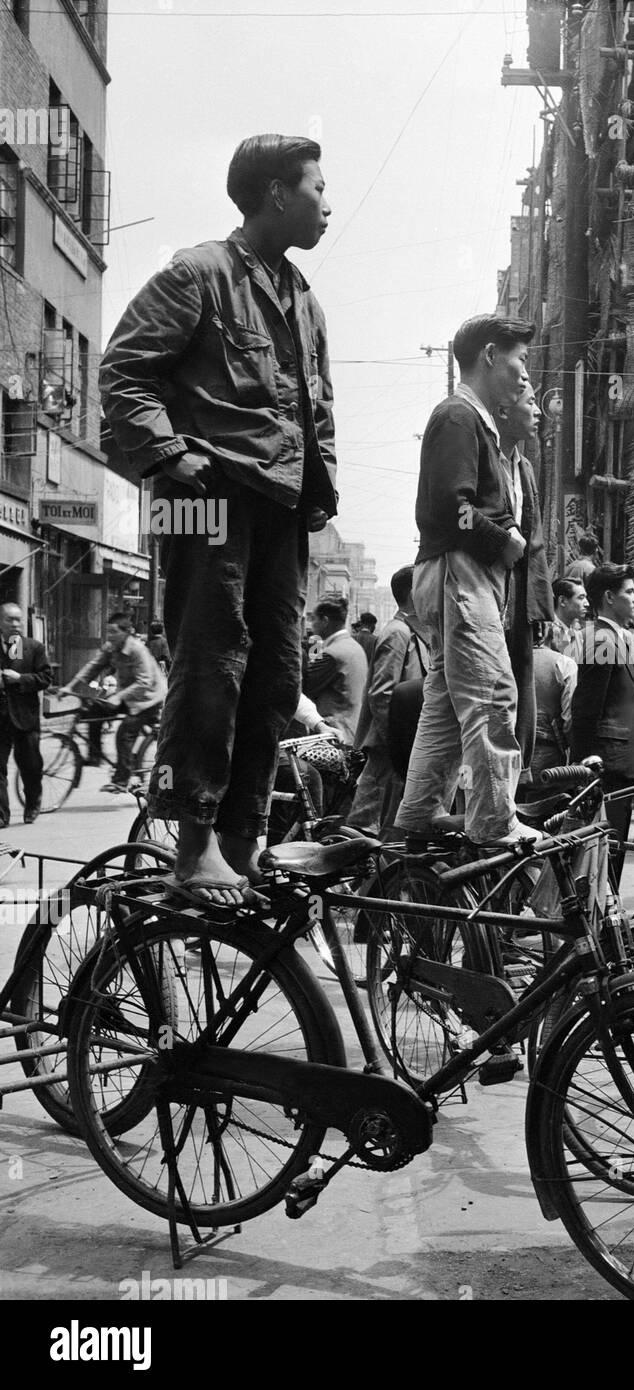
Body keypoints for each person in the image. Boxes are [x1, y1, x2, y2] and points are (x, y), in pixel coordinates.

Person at [101, 133, 336, 905]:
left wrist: (319, 492)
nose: (327, 203)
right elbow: (124, 372)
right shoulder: (196, 273)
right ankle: (191, 847)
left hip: (278, 504)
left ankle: (243, 842)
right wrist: (167, 455)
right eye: (317, 188)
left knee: (277, 673)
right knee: (211, 660)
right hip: (203, 495)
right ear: (276, 193)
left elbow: (316, 409)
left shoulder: (302, 297)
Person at [394, 314, 538, 846]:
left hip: (458, 571)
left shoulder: (474, 421)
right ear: (491, 356)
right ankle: (496, 821)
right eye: (519, 359)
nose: (525, 373)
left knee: (445, 706)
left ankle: (417, 815)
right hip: (461, 568)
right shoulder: (459, 416)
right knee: (493, 695)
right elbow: (445, 508)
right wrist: (504, 542)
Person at [571, 562, 634, 883]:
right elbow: (585, 707)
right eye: (629, 592)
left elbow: (632, 701)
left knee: (611, 851)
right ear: (608, 597)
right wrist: (587, 761)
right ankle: (603, 928)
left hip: (623, 760)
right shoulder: (602, 638)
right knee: (604, 855)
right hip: (608, 763)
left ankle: (607, 924)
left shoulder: (616, 637)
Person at [497, 386, 555, 766]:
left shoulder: (525, 468)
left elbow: (535, 544)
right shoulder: (487, 455)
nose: (538, 411)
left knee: (520, 687)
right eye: (530, 402)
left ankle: (519, 780)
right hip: (487, 587)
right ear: (504, 410)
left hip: (518, 597)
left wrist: (539, 608)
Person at [349, 567, 426, 835]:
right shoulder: (398, 633)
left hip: (401, 750)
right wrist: (399, 745)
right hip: (389, 750)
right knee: (368, 832)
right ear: (413, 593)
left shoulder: (412, 632)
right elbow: (382, 695)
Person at [62, 613, 167, 795]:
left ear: (126, 632)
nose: (110, 636)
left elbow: (145, 682)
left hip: (149, 699)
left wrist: (118, 697)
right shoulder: (111, 648)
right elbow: (93, 666)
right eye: (107, 631)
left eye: (114, 632)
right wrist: (69, 686)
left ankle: (121, 780)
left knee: (124, 732)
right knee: (94, 709)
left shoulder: (137, 650)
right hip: (128, 696)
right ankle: (95, 757)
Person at [0, 603, 52, 826]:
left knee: (30, 767)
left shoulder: (33, 648)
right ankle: (2, 815)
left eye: (18, 619)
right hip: (1, 718)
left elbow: (46, 678)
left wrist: (20, 678)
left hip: (25, 718)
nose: (15, 624)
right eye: (9, 619)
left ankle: (33, 802)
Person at [301, 597, 368, 745]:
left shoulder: (332, 653)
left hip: (333, 736)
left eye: (314, 620)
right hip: (353, 731)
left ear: (325, 621)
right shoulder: (354, 647)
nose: (312, 626)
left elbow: (304, 689)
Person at [530, 628, 576, 780]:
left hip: (513, 756)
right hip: (550, 757)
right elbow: (569, 719)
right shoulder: (564, 663)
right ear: (552, 633)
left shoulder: (508, 660)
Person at [547, 577, 586, 659]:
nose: (587, 603)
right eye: (581, 598)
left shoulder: (577, 630)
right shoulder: (547, 632)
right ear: (562, 601)